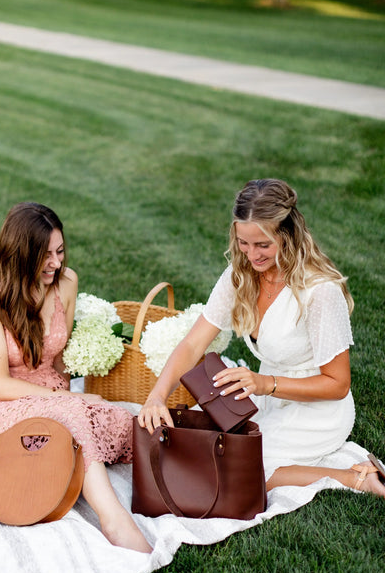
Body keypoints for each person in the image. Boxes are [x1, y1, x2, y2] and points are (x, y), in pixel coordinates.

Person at [138, 178, 385, 498]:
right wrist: (157, 395)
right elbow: (192, 344)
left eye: (262, 245)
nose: (251, 255)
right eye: (243, 242)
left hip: (316, 410)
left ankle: (355, 477)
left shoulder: (320, 290)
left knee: (237, 470)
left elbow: (337, 385)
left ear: (287, 235)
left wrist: (265, 382)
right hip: (262, 397)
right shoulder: (240, 275)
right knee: (212, 453)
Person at [0, 202, 152, 553]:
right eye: (46, 256)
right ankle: (113, 518)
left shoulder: (65, 283)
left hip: (49, 390)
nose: (57, 263)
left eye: (60, 251)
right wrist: (73, 400)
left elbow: (58, 365)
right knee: (68, 416)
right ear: (21, 255)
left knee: (122, 424)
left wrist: (80, 381)